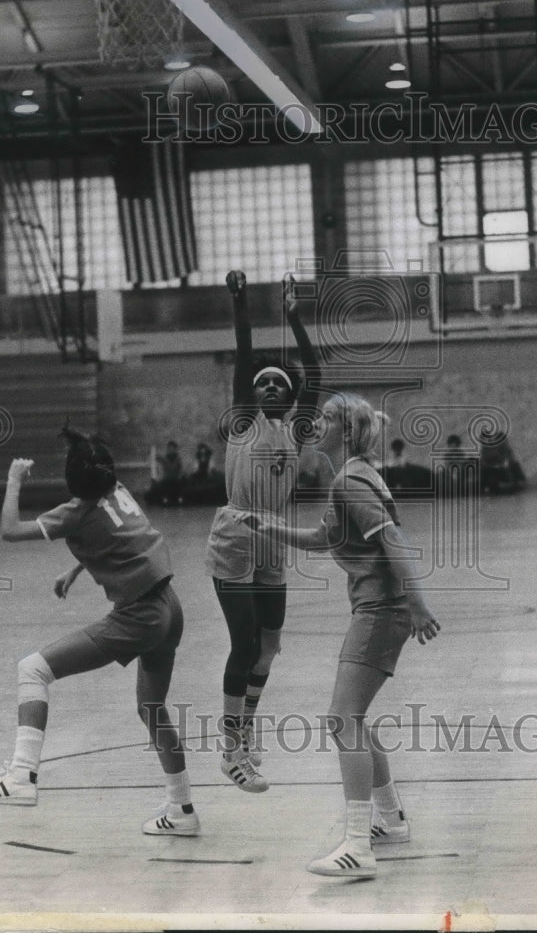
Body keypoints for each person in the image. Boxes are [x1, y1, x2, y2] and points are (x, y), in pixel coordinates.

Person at [0, 424, 200, 838]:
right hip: (170, 606)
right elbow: (119, 534)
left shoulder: (73, 513)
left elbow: (9, 530)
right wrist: (76, 569)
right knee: (151, 708)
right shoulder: (120, 492)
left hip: (140, 616)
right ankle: (182, 809)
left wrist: (14, 479)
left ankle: (21, 775)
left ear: (72, 478)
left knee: (33, 670)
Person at [245, 394, 440, 877]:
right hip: (380, 609)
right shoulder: (355, 476)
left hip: (381, 610)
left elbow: (394, 540)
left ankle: (357, 847)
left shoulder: (351, 481)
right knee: (353, 717)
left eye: (328, 417)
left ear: (347, 431)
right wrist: (271, 528)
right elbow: (325, 538)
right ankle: (390, 820)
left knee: (341, 719)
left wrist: (416, 603)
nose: (317, 423)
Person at [204, 270, 320, 793]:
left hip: (274, 537)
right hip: (235, 535)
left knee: (269, 647)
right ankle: (230, 752)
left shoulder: (297, 429)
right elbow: (244, 351)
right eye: (262, 382)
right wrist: (240, 300)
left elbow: (315, 371)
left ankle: (246, 729)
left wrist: (294, 317)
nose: (271, 385)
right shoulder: (243, 422)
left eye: (279, 382)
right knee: (245, 646)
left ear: (290, 395)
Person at [146, 440, 184, 506]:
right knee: (164, 486)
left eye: (172, 448)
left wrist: (179, 476)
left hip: (175, 478)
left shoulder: (178, 459)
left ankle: (179, 499)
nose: (171, 450)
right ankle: (165, 500)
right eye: (169, 449)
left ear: (175, 449)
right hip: (167, 478)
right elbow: (158, 458)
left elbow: (180, 469)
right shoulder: (165, 458)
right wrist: (152, 454)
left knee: (179, 486)